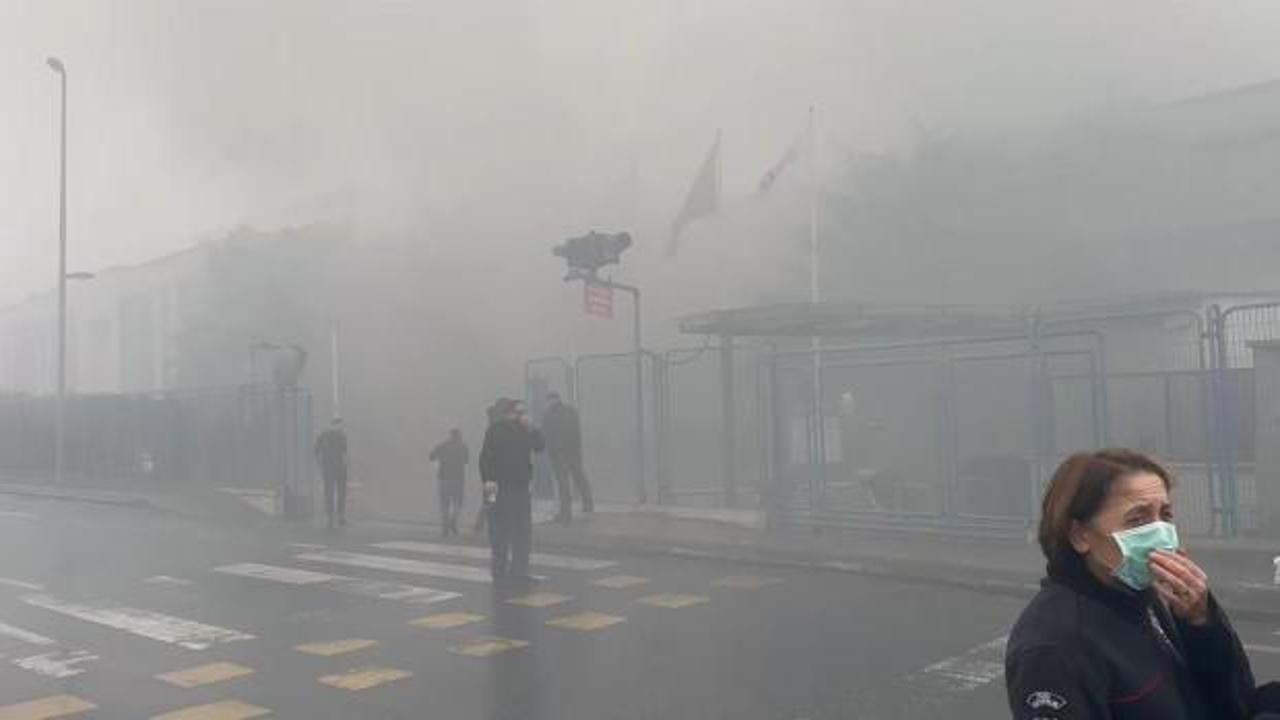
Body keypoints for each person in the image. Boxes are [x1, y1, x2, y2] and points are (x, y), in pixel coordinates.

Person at [1005, 448, 1258, 720]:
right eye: (1137, 519)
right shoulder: (1054, 648)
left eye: (1166, 514)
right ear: (1079, 536)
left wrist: (1199, 622)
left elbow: (1222, 696)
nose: (1159, 532)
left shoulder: (1138, 593)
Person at [479, 398, 544, 581]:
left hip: (521, 488)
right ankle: (500, 572)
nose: (524, 415)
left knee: (522, 532)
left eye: (524, 412)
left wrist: (533, 428)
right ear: (511, 412)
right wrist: (490, 495)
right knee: (500, 532)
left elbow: (540, 447)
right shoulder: (495, 430)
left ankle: (519, 572)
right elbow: (486, 460)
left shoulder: (524, 430)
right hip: (501, 489)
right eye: (520, 412)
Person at [541, 392, 592, 523]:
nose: (545, 405)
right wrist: (579, 451)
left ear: (551, 400)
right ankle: (588, 504)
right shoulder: (571, 411)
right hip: (574, 452)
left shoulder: (548, 415)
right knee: (579, 477)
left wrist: (549, 453)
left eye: (546, 402)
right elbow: (577, 433)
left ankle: (566, 513)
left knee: (563, 484)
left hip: (559, 454)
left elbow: (546, 436)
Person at [429, 429, 469, 537]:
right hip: (458, 479)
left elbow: (431, 456)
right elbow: (466, 461)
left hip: (443, 478)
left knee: (444, 505)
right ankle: (453, 521)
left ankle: (445, 528)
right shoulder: (463, 447)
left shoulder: (443, 446)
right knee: (458, 503)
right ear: (459, 436)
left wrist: (439, 463)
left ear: (450, 436)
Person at [314, 417, 349, 529]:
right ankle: (331, 517)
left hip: (338, 468)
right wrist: (321, 464)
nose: (339, 427)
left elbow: (345, 452)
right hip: (330, 468)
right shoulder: (324, 436)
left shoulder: (341, 436)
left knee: (340, 492)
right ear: (332, 425)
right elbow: (316, 451)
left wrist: (344, 464)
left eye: (340, 425)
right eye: (337, 424)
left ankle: (340, 516)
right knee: (330, 492)